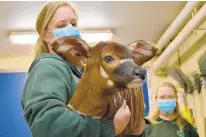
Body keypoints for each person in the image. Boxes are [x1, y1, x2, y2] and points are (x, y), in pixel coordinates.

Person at [21, 1, 131, 137]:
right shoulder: (49, 66)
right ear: (45, 35)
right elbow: (49, 124)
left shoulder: (78, 71)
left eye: (73, 24)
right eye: (61, 25)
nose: (71, 30)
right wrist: (110, 128)